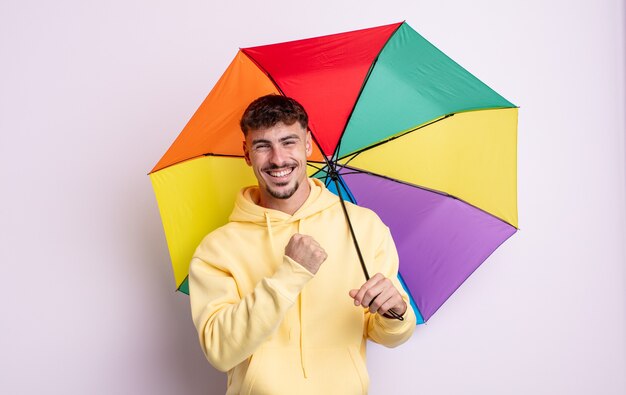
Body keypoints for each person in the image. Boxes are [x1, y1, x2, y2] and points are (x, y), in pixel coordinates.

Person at [189, 94, 416, 395]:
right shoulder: (218, 248)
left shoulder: (363, 225)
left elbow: (387, 335)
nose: (278, 159)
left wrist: (396, 312)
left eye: (288, 142)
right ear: (246, 153)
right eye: (262, 146)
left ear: (307, 143)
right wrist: (290, 273)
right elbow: (220, 350)